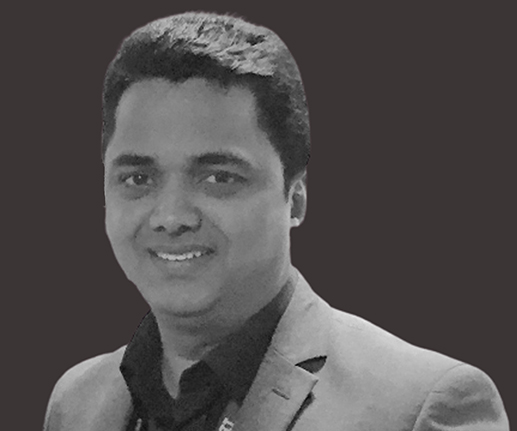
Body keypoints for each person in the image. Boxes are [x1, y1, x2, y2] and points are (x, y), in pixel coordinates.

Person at [43, 11, 509, 431]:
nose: (171, 217)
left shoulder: (422, 405)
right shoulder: (77, 401)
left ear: (296, 198)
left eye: (219, 177)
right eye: (138, 178)